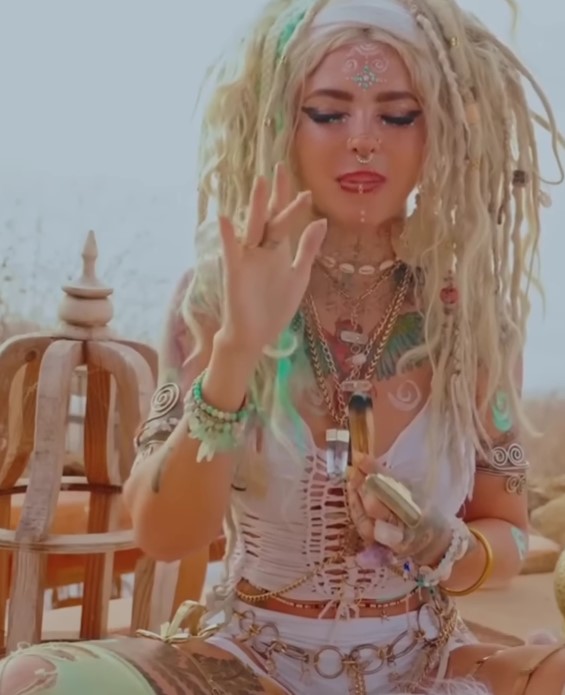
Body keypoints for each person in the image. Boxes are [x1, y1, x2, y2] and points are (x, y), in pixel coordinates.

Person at [1, 0, 564, 693]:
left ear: (439, 132)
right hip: (252, 663)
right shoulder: (213, 296)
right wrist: (237, 349)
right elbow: (164, 534)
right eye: (327, 113)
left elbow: (509, 533)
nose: (363, 140)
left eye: (396, 115)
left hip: (425, 659)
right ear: (281, 125)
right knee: (34, 680)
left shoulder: (471, 318)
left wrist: (444, 543)